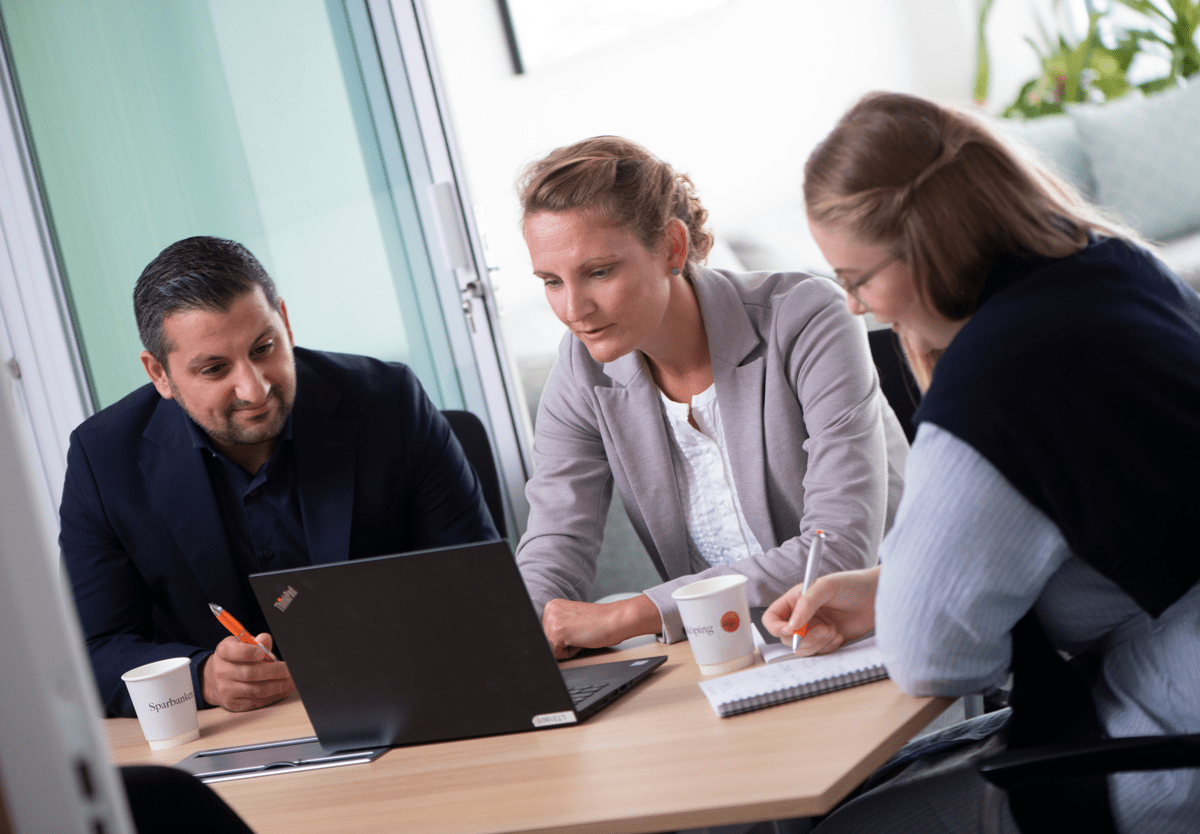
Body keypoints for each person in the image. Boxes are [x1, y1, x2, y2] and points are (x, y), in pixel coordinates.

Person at [764, 91, 1200, 833]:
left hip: (1166, 733)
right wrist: (885, 586)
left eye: (859, 279)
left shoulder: (992, 384)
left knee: (839, 827)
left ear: (926, 245)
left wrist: (907, 593)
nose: (857, 307)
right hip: (1167, 682)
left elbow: (933, 659)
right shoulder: (1117, 267)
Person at [61, 236, 498, 718]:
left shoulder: (389, 402)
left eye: (264, 348)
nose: (254, 388)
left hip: (403, 704)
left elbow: (478, 592)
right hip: (237, 740)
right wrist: (203, 677)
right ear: (159, 374)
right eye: (214, 369)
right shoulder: (103, 459)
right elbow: (92, 651)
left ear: (284, 322)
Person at [514, 136, 909, 657]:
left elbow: (836, 552)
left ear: (672, 248)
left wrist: (636, 613)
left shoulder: (807, 317)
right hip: (727, 661)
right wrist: (531, 631)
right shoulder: (583, 368)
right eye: (551, 281)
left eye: (599, 272)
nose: (573, 309)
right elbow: (554, 544)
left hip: (880, 640)